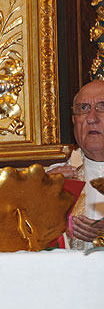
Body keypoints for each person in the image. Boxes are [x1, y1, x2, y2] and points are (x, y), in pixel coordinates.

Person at [48, 79, 104, 249]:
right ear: (74, 121)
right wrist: (39, 196)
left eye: (103, 106)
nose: (91, 118)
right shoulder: (53, 178)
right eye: (83, 109)